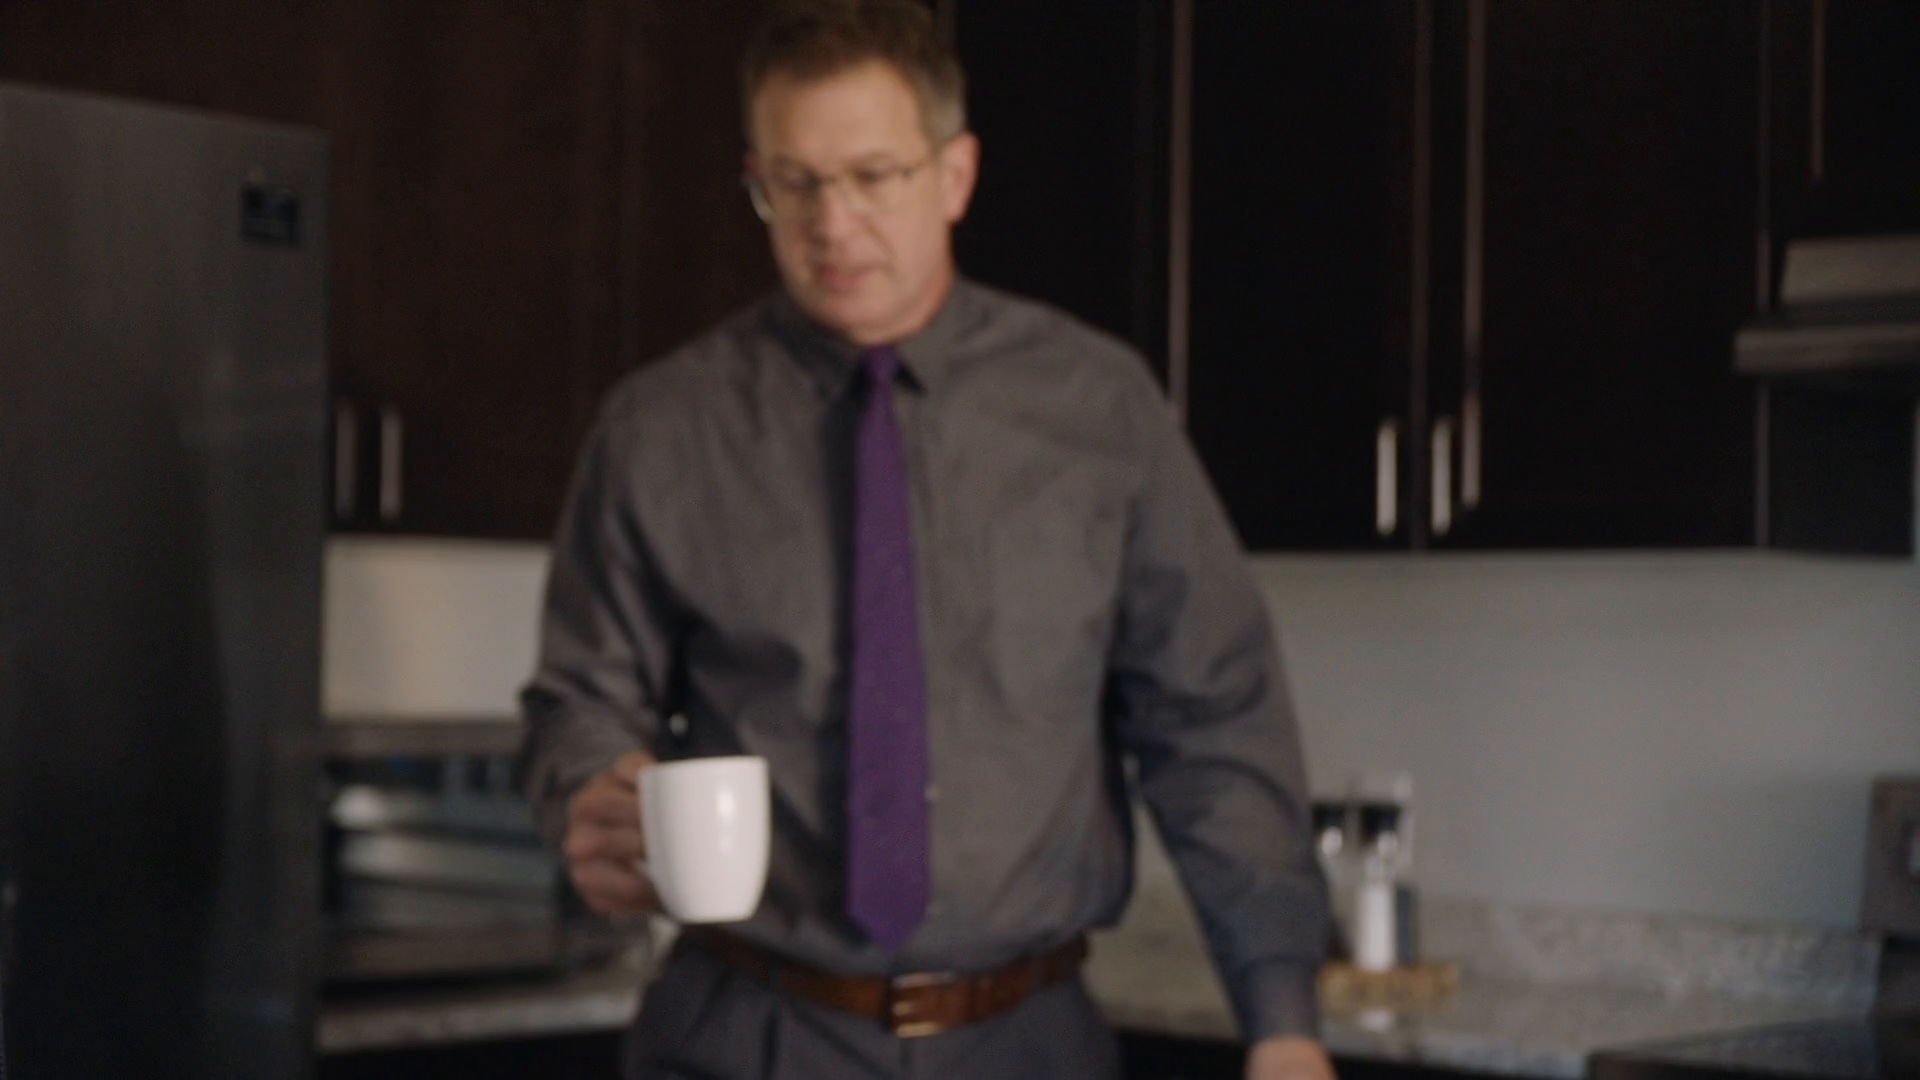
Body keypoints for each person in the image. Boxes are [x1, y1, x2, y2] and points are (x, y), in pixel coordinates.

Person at [519, 2, 1336, 1077]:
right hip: (748, 1034)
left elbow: (1212, 716)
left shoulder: (1100, 412)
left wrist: (1281, 1020)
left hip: (1029, 1042)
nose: (832, 224)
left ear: (955, 175)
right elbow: (581, 701)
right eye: (794, 183)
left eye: (872, 177)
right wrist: (594, 787)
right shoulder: (661, 429)